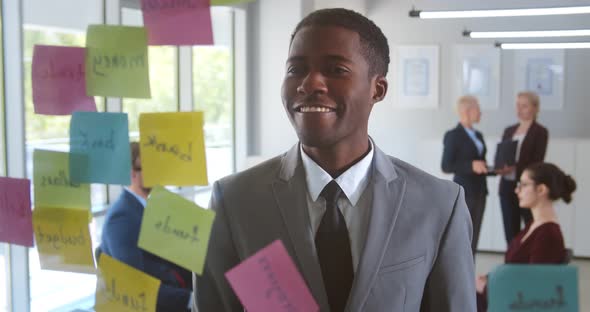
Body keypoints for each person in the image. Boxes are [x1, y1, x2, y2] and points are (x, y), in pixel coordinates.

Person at [194, 8, 475, 311]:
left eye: (336, 69)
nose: (309, 83)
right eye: (295, 70)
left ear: (377, 89)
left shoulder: (439, 205)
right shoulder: (235, 202)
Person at [100, 142, 192, 312]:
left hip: (176, 291)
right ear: (131, 174)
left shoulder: (154, 208)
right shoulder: (121, 218)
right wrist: (190, 300)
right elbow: (134, 284)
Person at [476, 162, 575, 311]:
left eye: (523, 185)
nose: (517, 190)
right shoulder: (534, 226)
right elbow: (518, 272)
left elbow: (532, 291)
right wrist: (489, 280)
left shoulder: (548, 235)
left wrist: (487, 288)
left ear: (541, 189)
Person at [497, 91, 549, 244]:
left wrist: (514, 168)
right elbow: (501, 155)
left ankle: (528, 264)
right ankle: (512, 263)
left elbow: (537, 162)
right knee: (510, 230)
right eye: (518, 105)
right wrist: (500, 168)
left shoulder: (540, 132)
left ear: (534, 108)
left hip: (528, 188)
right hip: (507, 186)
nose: (519, 109)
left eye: (524, 106)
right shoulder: (509, 130)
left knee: (529, 227)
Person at [441, 95, 489, 257]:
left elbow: (481, 163)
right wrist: (470, 166)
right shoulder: (453, 135)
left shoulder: (479, 135)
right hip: (465, 192)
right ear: (467, 111)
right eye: (478, 108)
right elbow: (446, 166)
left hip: (481, 191)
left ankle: (470, 273)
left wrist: (495, 169)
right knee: (464, 236)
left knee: (475, 237)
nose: (481, 112)